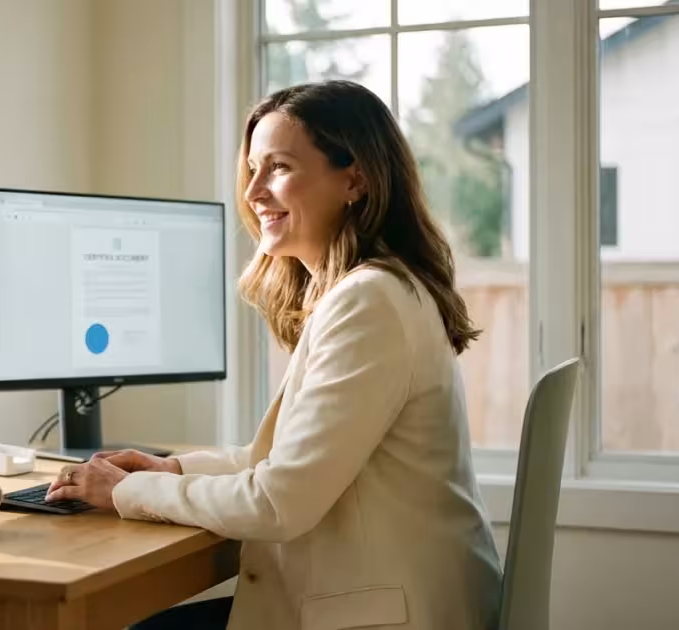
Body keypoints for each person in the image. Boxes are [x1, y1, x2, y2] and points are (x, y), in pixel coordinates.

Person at [45, 80, 502, 630]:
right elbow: (287, 466)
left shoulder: (368, 301)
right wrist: (172, 468)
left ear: (355, 179)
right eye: (253, 170)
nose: (254, 191)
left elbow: (280, 501)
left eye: (279, 168)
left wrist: (130, 491)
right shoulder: (369, 291)